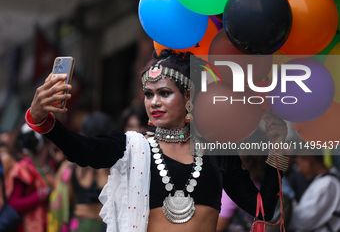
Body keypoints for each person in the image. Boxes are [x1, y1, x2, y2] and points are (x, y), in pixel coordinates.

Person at [25, 49, 289, 232]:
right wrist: (43, 121)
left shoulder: (216, 153)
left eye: (164, 93)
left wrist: (279, 149)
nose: (154, 102)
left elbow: (263, 209)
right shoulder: (132, 147)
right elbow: (83, 150)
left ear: (189, 97)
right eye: (148, 94)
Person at [48, 111, 113, 232]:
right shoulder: (114, 166)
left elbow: (59, 202)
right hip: (107, 225)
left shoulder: (69, 167)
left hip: (79, 225)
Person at [6, 123, 56, 232]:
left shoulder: (51, 165)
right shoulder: (23, 168)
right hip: (28, 227)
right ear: (46, 143)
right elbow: (13, 204)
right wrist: (40, 195)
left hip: (52, 224)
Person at [288, 154, 340, 232]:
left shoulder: (326, 184)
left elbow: (303, 221)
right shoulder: (324, 180)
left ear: (308, 160)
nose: (299, 169)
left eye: (298, 164)